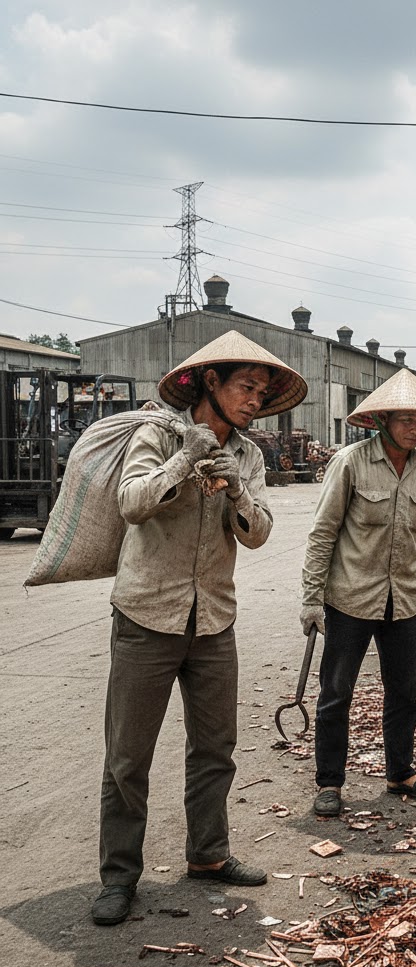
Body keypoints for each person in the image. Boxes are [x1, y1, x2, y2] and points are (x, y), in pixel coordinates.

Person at [91, 330, 307, 926]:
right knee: (128, 758)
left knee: (215, 748)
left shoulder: (250, 454)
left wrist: (232, 484)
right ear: (211, 381)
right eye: (246, 387)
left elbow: (258, 532)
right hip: (147, 616)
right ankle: (119, 877)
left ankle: (208, 857)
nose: (254, 401)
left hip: (213, 618)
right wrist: (186, 458)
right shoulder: (156, 434)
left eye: (262, 393)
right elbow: (132, 503)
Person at [300, 369, 416, 817]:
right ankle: (330, 782)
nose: (415, 428)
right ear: (384, 419)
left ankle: (400, 773)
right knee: (336, 694)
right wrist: (312, 598)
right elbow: (322, 533)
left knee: (404, 693)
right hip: (350, 599)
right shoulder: (351, 462)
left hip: (403, 601)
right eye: (407, 419)